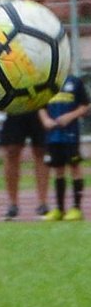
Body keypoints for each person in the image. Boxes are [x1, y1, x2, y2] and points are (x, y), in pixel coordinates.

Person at [0, 0, 52, 220]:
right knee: (11, 150)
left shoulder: (52, 32)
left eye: (38, 2)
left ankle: (42, 202)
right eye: (30, 2)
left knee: (41, 150)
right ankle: (12, 203)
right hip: (16, 98)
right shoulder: (10, 31)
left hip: (41, 98)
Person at [38, 74, 89, 221]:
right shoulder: (47, 82)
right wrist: (45, 120)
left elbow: (84, 106)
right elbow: (39, 105)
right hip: (53, 136)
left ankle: (76, 208)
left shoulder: (75, 82)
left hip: (70, 134)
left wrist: (70, 116)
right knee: (58, 170)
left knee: (74, 167)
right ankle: (60, 208)